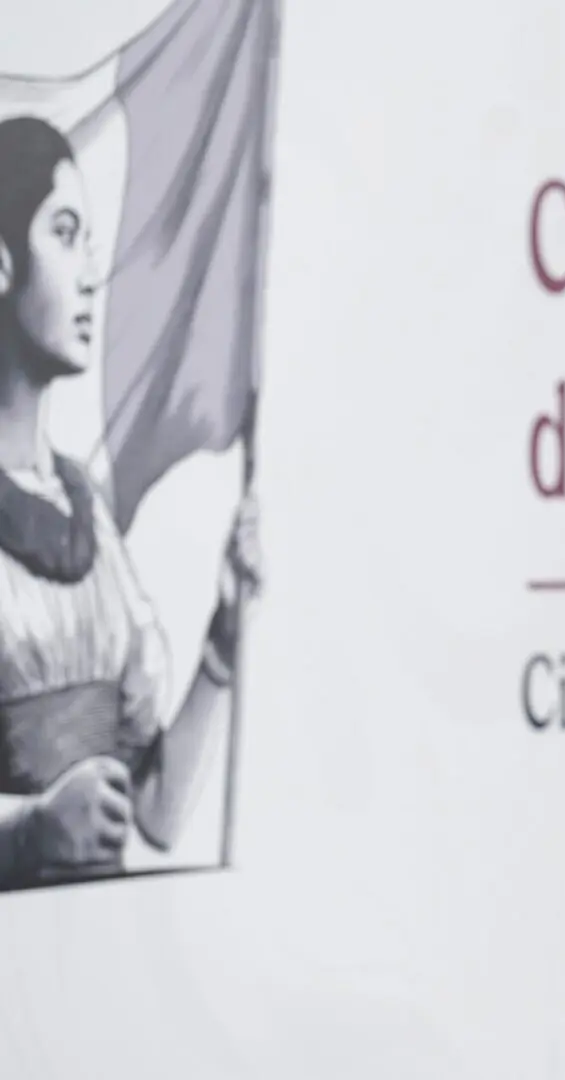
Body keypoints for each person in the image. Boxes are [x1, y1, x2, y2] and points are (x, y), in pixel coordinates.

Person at [0, 114, 260, 889]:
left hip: (103, 958)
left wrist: (224, 634)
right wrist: (32, 829)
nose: (88, 275)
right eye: (64, 232)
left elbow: (157, 812)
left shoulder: (91, 519)